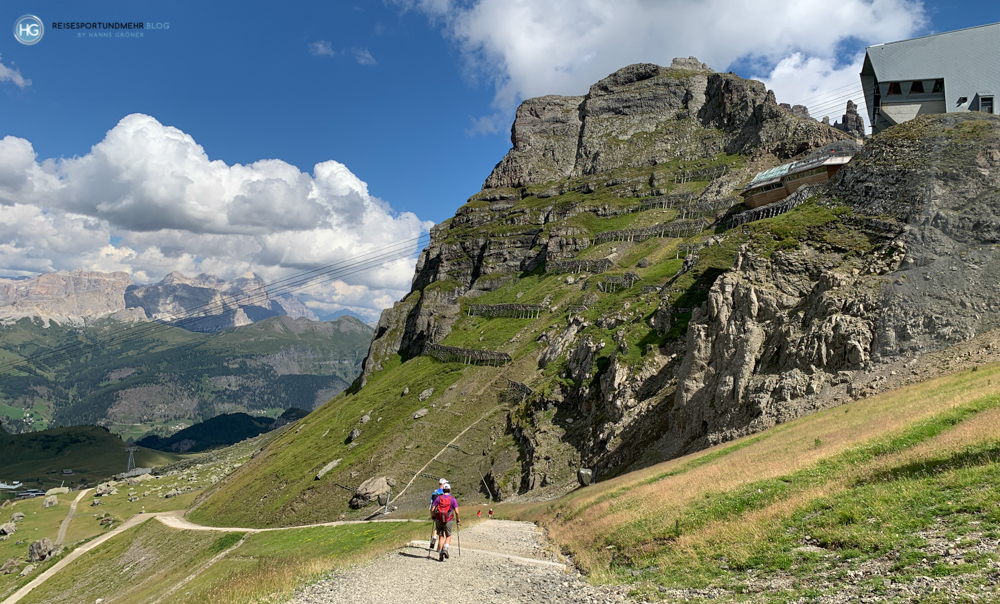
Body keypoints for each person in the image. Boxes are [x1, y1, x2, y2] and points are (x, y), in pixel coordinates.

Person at [431, 483, 459, 561]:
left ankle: (440, 552)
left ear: (443, 490)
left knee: (441, 536)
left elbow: (432, 509)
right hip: (448, 520)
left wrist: (433, 516)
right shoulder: (452, 499)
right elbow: (457, 512)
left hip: (439, 519)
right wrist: (457, 519)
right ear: (449, 490)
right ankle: (446, 548)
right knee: (448, 536)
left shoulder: (438, 498)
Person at [429, 478, 447, 550]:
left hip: (436, 511)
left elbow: (431, 503)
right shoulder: (446, 492)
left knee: (437, 526)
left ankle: (434, 537)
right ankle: (440, 548)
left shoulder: (435, 492)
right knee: (443, 528)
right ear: (443, 484)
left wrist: (432, 514)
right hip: (444, 511)